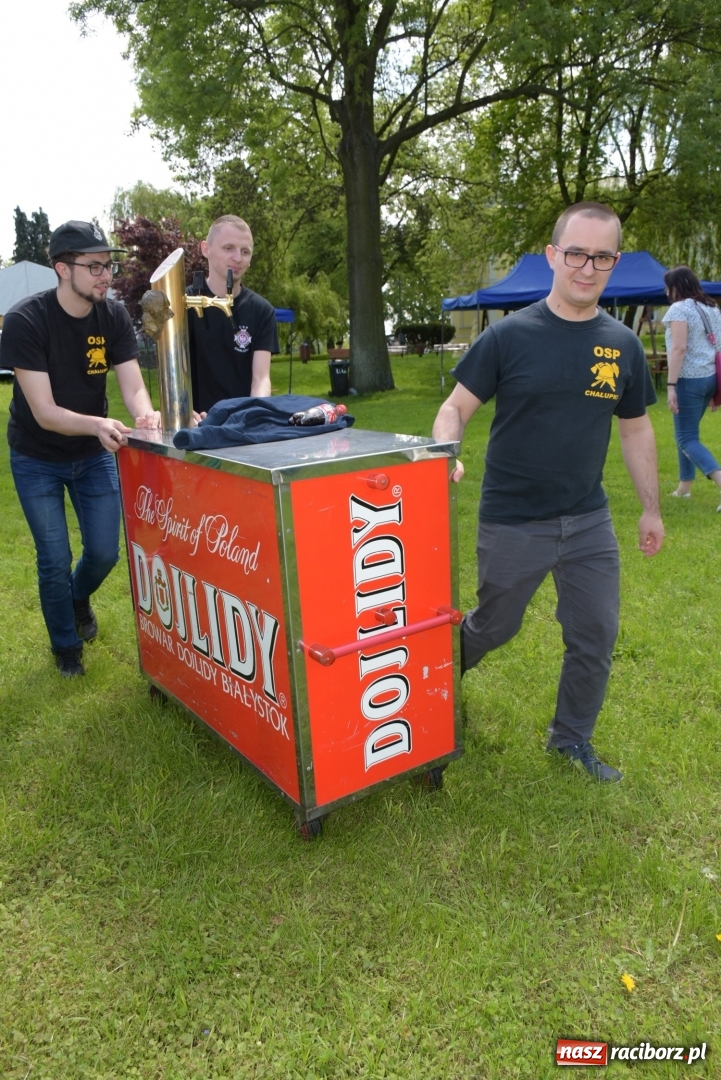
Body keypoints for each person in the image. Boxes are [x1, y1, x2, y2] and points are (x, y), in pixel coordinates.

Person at [432, 201, 664, 783]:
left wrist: (651, 509)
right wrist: (445, 454)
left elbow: (635, 427)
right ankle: (431, 684)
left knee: (596, 633)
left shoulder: (623, 346)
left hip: (588, 520)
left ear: (614, 261)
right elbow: (454, 408)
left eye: (602, 256)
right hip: (514, 518)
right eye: (577, 253)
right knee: (494, 626)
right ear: (553, 255)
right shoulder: (509, 336)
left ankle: (570, 740)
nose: (588, 268)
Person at [1, 220, 160, 678]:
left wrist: (144, 414)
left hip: (90, 456)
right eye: (94, 266)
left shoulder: (110, 317)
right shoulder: (25, 320)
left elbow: (132, 387)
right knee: (52, 558)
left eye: (108, 266)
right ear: (62, 268)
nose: (105, 276)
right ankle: (66, 648)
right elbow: (46, 411)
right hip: (36, 457)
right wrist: (98, 425)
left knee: (105, 552)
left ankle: (77, 598)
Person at [189, 214, 279, 413]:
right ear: (206, 249)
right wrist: (184, 414)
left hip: (240, 426)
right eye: (228, 248)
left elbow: (261, 379)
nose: (238, 258)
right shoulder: (184, 303)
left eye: (245, 251)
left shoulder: (262, 310)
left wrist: (254, 414)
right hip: (193, 426)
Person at [662, 266, 721, 506]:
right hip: (709, 377)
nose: (666, 291)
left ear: (677, 286)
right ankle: (684, 487)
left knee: (686, 438)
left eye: (668, 286)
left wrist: (670, 386)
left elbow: (679, 348)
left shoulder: (680, 309)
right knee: (685, 434)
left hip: (689, 379)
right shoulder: (712, 307)